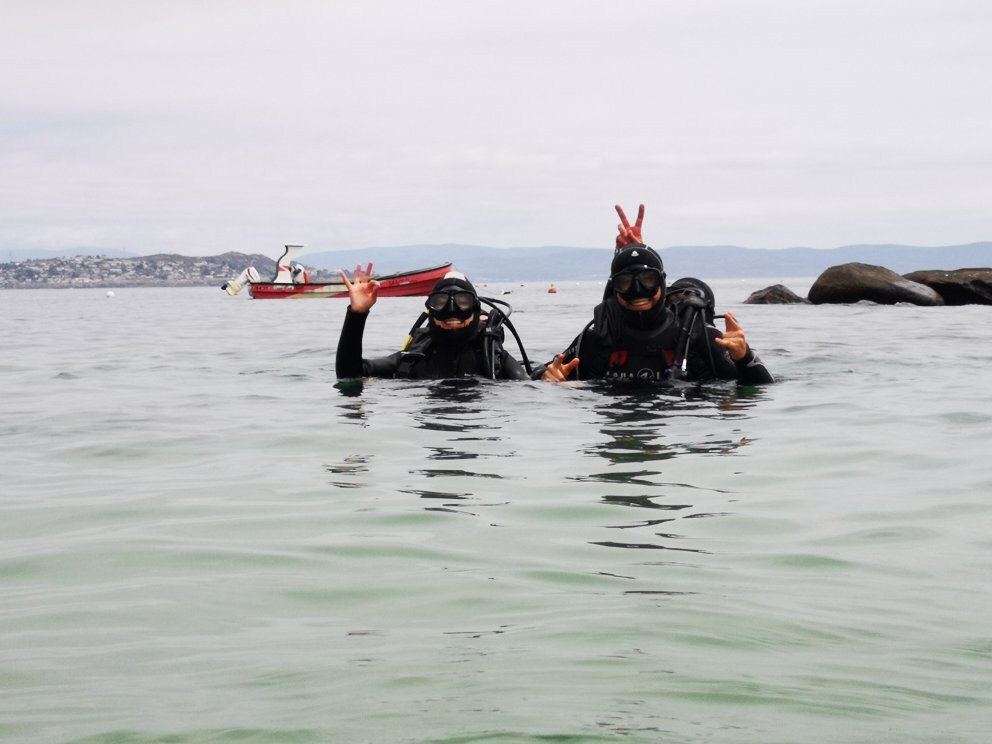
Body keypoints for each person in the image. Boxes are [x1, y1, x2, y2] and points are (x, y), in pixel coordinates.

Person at [539, 205, 773, 385]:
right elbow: (540, 373)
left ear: (662, 283)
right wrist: (549, 378)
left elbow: (762, 388)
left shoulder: (697, 336)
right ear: (614, 287)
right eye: (625, 282)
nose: (637, 291)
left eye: (648, 280)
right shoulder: (595, 340)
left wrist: (744, 355)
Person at [335, 264, 531, 380]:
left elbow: (529, 385)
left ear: (476, 310)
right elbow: (349, 374)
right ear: (431, 310)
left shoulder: (495, 360)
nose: (452, 311)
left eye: (463, 301)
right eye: (440, 302)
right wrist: (357, 314)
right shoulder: (413, 359)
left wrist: (546, 375)